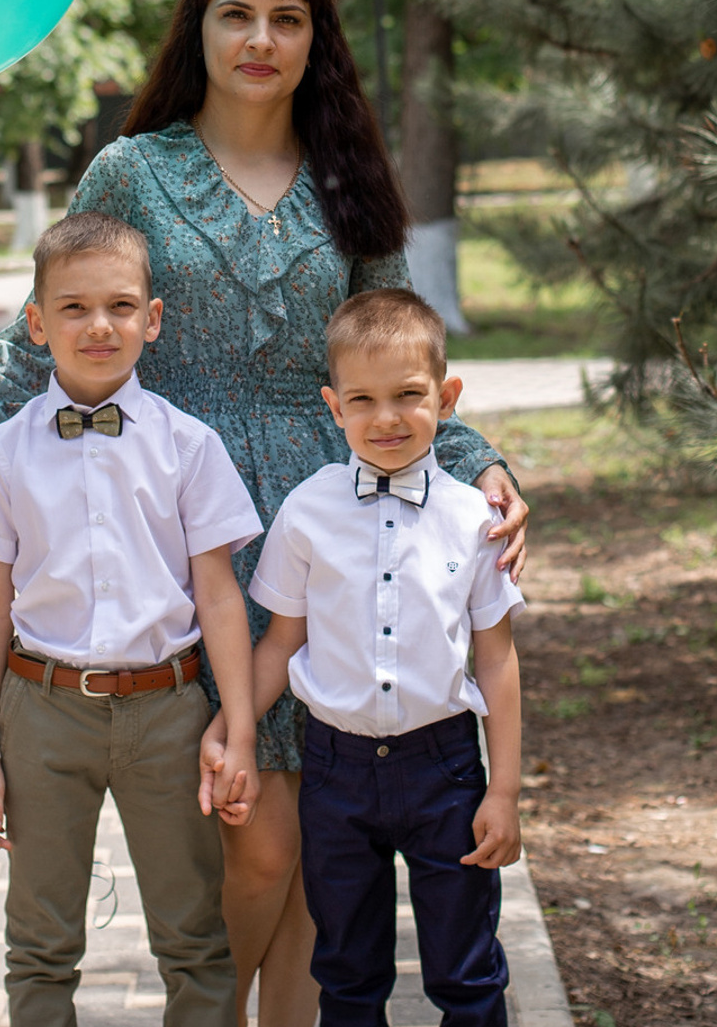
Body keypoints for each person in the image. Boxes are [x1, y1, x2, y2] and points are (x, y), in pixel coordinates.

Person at [0, 0, 530, 1026]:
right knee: (256, 841)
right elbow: (33, 344)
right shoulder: (134, 170)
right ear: (202, 27)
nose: (261, 38)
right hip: (182, 540)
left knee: (319, 854)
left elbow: (396, 348)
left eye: (289, 16)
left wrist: (487, 464)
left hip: (333, 531)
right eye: (238, 13)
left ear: (316, 37)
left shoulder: (347, 178)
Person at [0, 210, 262, 1027]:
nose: (100, 326)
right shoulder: (4, 451)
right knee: (41, 942)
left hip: (169, 712)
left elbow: (220, 594)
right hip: (43, 711)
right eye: (74, 308)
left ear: (152, 319)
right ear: (37, 323)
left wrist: (237, 725)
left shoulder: (190, 446)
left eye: (122, 306)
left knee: (195, 937)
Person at [205, 288, 523, 1027]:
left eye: (409, 396)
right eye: (363, 400)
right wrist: (232, 725)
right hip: (337, 773)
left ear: (446, 397)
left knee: (467, 969)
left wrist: (502, 792)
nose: (386, 419)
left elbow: (497, 659)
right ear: (333, 405)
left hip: (445, 770)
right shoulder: (307, 511)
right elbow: (281, 641)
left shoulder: (473, 519)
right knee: (347, 972)